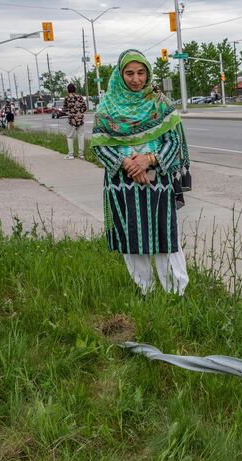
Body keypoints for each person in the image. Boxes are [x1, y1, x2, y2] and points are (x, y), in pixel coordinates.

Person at [91, 49, 190, 295]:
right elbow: (99, 145)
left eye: (141, 73)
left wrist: (149, 159)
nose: (136, 79)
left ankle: (175, 293)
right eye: (130, 73)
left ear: (148, 73)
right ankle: (146, 291)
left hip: (158, 181)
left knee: (165, 235)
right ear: (120, 74)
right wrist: (128, 164)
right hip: (122, 184)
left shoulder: (160, 104)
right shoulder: (106, 108)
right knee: (132, 235)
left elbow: (174, 142)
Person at [63, 83, 87, 159]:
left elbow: (65, 109)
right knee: (81, 136)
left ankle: (71, 155)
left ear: (68, 90)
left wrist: (71, 113)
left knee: (70, 136)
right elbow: (84, 108)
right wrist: (79, 113)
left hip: (71, 120)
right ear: (75, 89)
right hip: (80, 119)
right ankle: (81, 155)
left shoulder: (67, 98)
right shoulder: (80, 97)